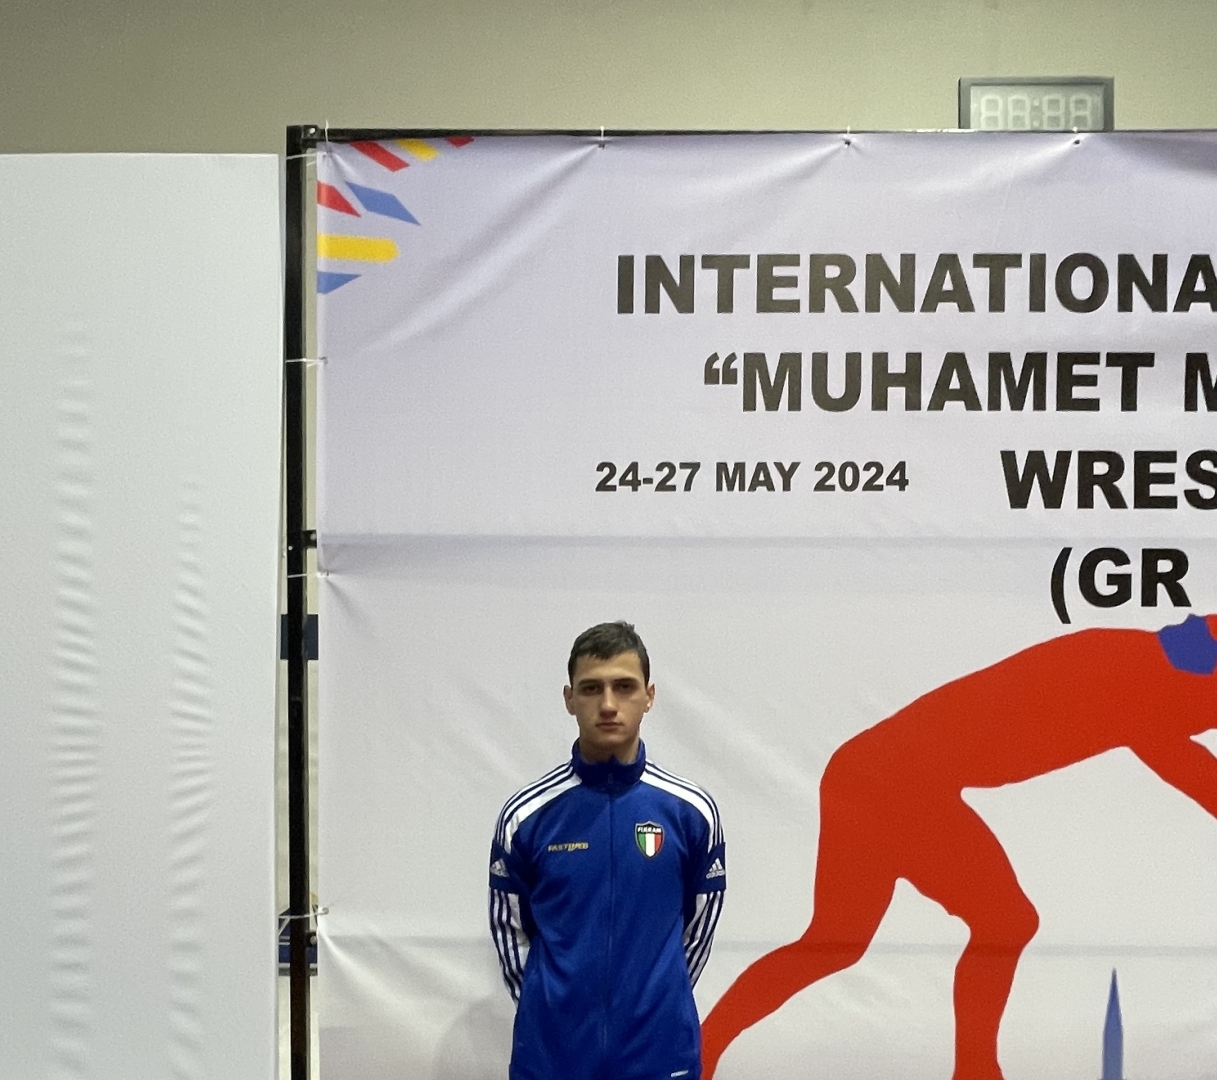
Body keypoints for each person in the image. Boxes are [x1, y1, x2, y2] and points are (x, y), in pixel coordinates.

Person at [700, 613, 1217, 1080]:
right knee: (991, 923)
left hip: (877, 774)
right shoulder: (1135, 680)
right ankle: (974, 1069)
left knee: (843, 941)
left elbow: (1187, 758)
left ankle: (702, 1047)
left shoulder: (1135, 663)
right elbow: (1192, 770)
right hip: (892, 781)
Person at [489, 621, 726, 1080]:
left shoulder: (692, 812)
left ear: (649, 696)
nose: (609, 704)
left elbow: (697, 933)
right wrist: (552, 1006)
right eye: (591, 688)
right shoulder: (525, 816)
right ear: (569, 698)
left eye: (625, 686)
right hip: (552, 1056)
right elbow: (510, 931)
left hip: (660, 1052)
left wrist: (657, 997)